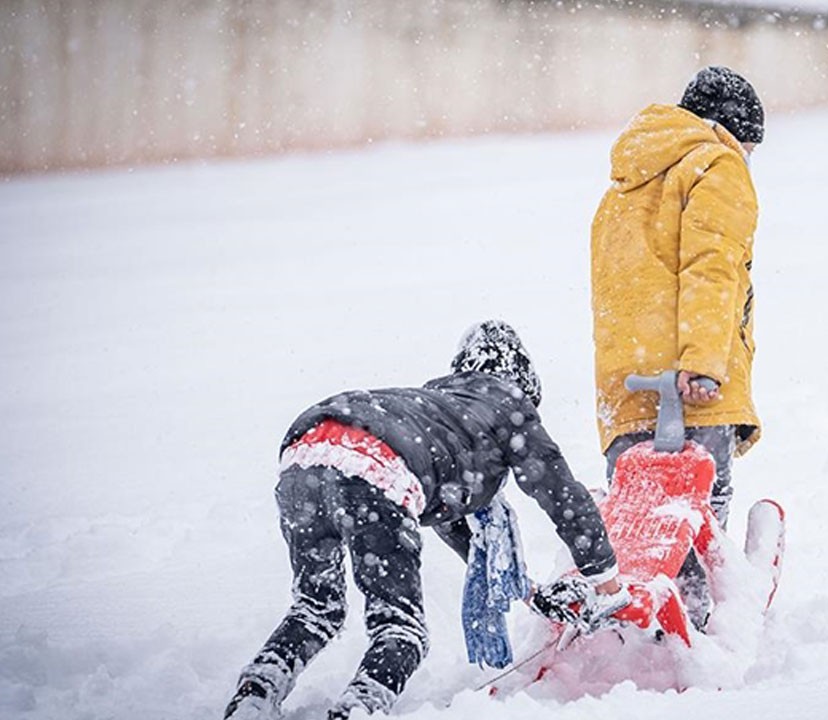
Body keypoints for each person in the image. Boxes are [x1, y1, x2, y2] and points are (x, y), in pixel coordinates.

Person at [225, 321, 627, 720]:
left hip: (306, 453)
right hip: (374, 467)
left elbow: (459, 528)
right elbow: (562, 495)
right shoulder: (507, 406)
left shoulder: (437, 413)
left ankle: (255, 694)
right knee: (401, 631)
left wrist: (531, 594)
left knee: (316, 609)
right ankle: (358, 709)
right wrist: (607, 584)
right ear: (523, 382)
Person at [590, 66, 765, 627]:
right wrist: (703, 362)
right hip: (691, 380)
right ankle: (704, 625)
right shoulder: (717, 163)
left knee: (643, 524)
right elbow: (712, 268)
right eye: (751, 147)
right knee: (698, 514)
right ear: (731, 131)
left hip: (624, 386)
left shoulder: (625, 182)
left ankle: (641, 624)